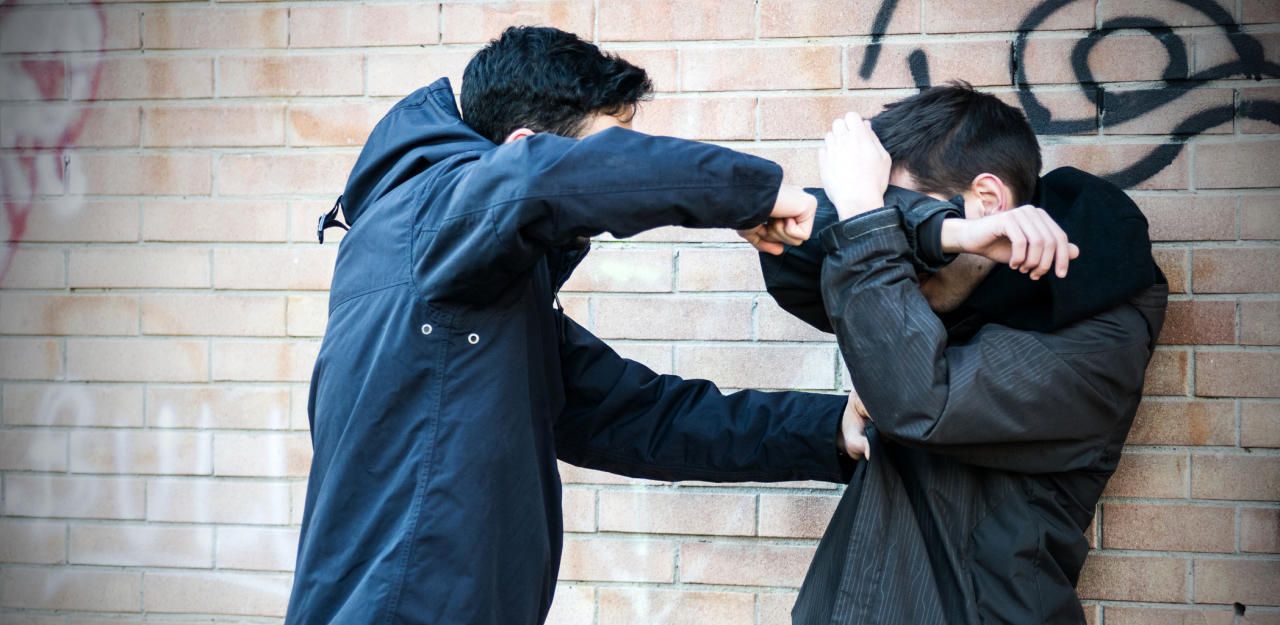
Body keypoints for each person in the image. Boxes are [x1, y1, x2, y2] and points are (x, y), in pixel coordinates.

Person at [286, 26, 860, 625]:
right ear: (524, 148)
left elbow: (642, 417)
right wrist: (752, 195)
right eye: (609, 152)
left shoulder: (475, 290)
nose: (626, 168)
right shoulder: (429, 215)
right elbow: (542, 180)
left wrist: (828, 429)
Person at [758, 84, 1168, 624]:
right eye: (896, 226)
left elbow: (919, 402)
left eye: (900, 221)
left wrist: (864, 213)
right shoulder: (944, 291)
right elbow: (790, 260)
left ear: (988, 202)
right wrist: (924, 227)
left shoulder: (1095, 335)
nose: (898, 250)